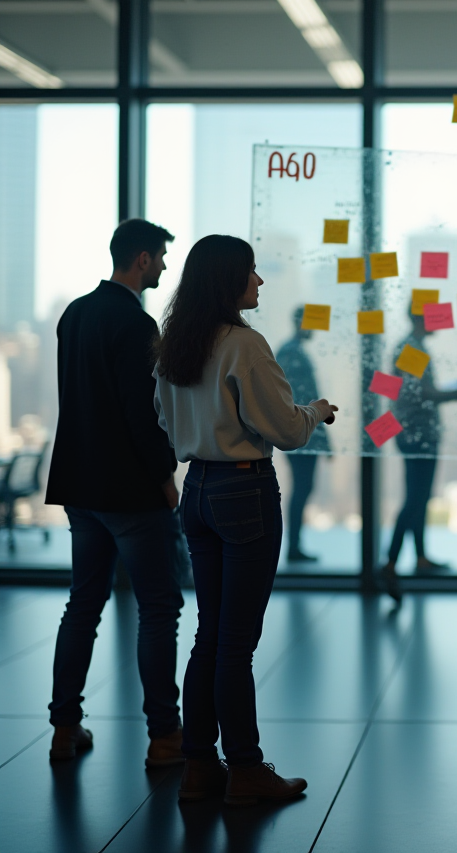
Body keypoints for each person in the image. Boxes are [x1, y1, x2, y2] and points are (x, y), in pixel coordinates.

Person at [153, 235, 337, 805]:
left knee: (209, 635)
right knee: (236, 643)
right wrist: (317, 412)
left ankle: (200, 767)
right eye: (251, 274)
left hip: (199, 491)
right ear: (229, 281)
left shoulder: (177, 343)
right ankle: (249, 771)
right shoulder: (245, 345)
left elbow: (164, 420)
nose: (259, 283)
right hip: (244, 491)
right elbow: (284, 427)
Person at [45, 218, 185, 767]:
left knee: (83, 605)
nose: (166, 268)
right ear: (143, 260)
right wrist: (164, 475)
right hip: (130, 491)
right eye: (162, 258)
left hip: (81, 487)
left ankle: (63, 727)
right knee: (159, 609)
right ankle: (165, 737)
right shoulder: (135, 324)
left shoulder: (75, 313)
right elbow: (141, 413)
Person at [381, 310, 457, 600]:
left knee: (419, 497)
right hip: (417, 435)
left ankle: (419, 557)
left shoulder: (412, 347)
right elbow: (420, 392)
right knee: (416, 499)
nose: (441, 320)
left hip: (412, 433)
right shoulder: (412, 348)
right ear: (421, 317)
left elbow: (404, 390)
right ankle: (391, 562)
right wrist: (453, 394)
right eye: (436, 315)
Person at [276, 306, 331, 562]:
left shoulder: (293, 352)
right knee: (301, 489)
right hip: (301, 434)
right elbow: (299, 399)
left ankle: (294, 546)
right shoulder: (291, 352)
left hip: (305, 433)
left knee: (303, 488)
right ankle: (293, 547)